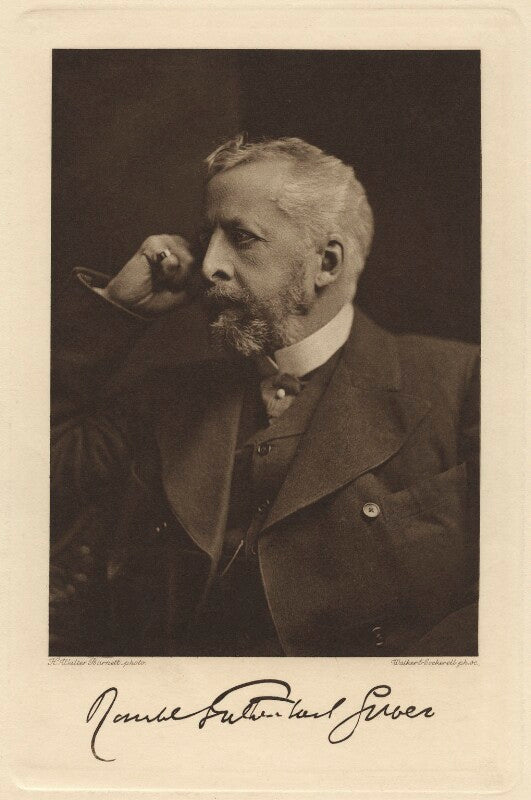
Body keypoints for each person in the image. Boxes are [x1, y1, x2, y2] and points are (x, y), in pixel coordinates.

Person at [50, 135, 479, 657]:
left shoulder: (463, 383)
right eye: (206, 237)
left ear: (326, 263)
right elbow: (31, 480)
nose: (208, 265)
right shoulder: (167, 398)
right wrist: (116, 309)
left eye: (242, 238)